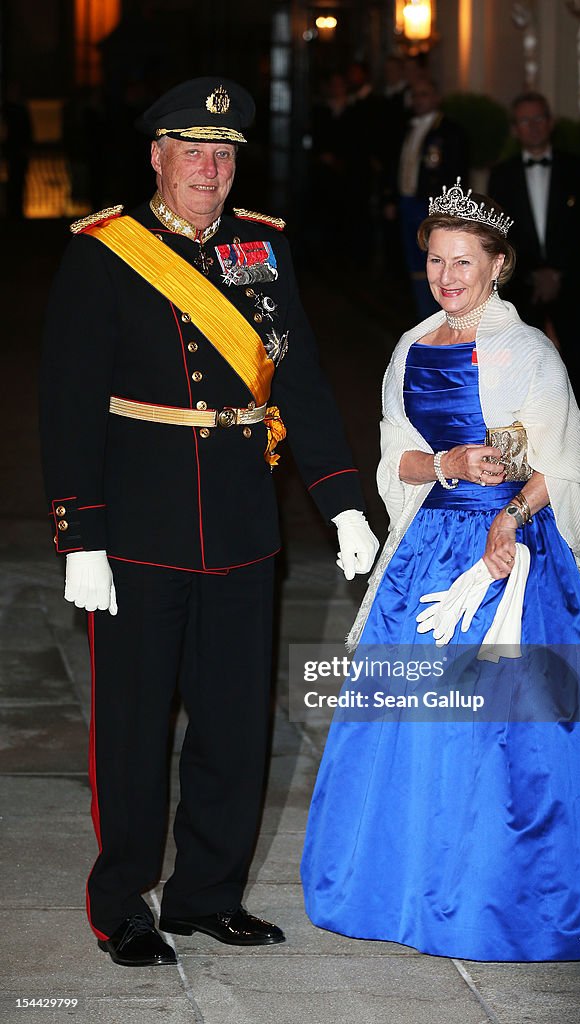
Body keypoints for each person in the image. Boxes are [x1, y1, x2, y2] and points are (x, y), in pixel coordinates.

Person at [39, 76, 378, 968]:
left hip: (239, 524)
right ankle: (123, 904)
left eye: (223, 155)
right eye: (192, 152)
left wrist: (342, 498)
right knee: (133, 729)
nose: (210, 170)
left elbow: (297, 384)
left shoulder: (262, 250)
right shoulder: (104, 250)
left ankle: (206, 895)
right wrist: (81, 535)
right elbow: (68, 403)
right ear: (156, 157)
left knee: (234, 723)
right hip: (139, 531)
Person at [301, 181, 580, 961]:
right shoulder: (409, 346)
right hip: (427, 552)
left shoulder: (528, 351)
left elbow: (565, 466)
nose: (446, 276)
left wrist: (509, 515)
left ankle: (496, 899)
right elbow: (391, 457)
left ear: (497, 265)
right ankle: (403, 889)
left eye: (462, 262)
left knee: (503, 733)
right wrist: (443, 461)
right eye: (435, 260)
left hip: (509, 556)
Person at [488, 91, 580, 471]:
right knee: (523, 372)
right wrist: (536, 272)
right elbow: (504, 234)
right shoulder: (501, 174)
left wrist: (558, 273)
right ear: (514, 129)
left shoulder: (579, 169)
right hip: (524, 286)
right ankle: (528, 462)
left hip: (572, 283)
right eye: (525, 121)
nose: (533, 126)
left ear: (550, 122)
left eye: (539, 119)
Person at [383, 78, 467, 319]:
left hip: (432, 207)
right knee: (413, 263)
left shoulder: (450, 131)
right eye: (416, 95)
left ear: (437, 98)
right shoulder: (405, 128)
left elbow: (456, 174)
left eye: (425, 94)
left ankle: (442, 315)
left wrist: (448, 211)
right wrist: (391, 198)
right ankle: (423, 316)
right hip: (408, 202)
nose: (419, 100)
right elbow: (395, 166)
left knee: (436, 262)